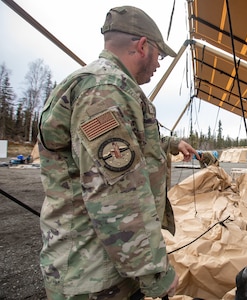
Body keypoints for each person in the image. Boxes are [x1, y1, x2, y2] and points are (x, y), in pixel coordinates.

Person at [37, 6, 199, 300]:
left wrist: (171, 144)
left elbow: (125, 151)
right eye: (159, 56)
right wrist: (155, 272)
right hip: (94, 275)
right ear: (142, 46)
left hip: (103, 264)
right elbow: (117, 193)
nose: (158, 65)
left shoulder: (105, 85)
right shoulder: (105, 89)